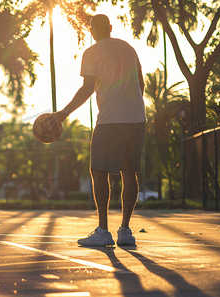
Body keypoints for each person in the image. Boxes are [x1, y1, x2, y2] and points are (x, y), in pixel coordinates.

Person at [51, 14, 146, 246]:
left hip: (110, 120)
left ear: (92, 31)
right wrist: (131, 106)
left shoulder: (91, 53)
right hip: (136, 118)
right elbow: (141, 84)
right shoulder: (128, 48)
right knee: (129, 173)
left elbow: (87, 89)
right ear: (111, 27)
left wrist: (63, 113)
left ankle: (103, 231)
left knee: (98, 172)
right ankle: (125, 230)